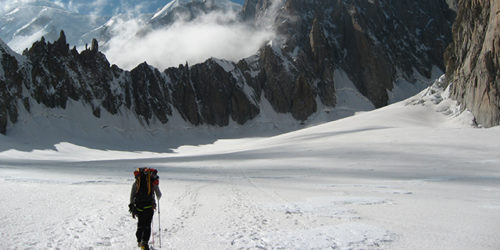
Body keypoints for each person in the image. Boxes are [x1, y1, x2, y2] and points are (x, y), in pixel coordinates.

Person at [129, 168, 162, 250]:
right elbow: (159, 195)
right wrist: (156, 185)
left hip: (139, 207)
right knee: (147, 225)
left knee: (140, 223)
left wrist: (132, 205)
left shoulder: (137, 182)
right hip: (149, 207)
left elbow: (132, 195)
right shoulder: (151, 182)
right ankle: (145, 242)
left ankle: (139, 241)